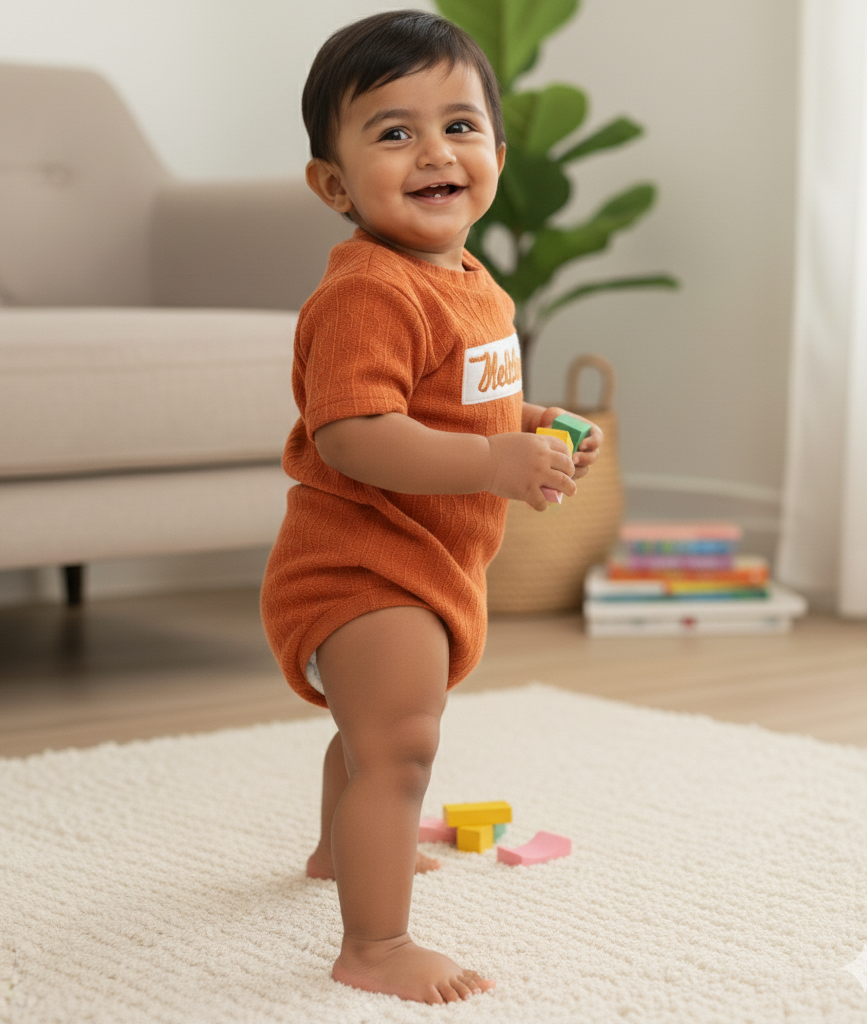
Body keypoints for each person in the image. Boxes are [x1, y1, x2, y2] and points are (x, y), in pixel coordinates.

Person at [260, 9, 603, 1005]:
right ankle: (372, 944)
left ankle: (339, 846)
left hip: (426, 564)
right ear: (333, 183)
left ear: (496, 151)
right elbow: (354, 433)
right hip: (359, 568)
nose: (433, 152)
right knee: (403, 744)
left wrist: (528, 421)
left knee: (372, 733)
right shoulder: (368, 294)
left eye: (458, 126)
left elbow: (459, 399)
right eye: (393, 131)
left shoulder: (470, 284)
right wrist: (497, 460)